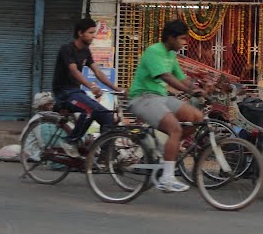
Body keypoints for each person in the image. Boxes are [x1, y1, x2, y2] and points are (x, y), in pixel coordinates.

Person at [127, 19, 205, 193]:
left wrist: (199, 89)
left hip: (160, 97)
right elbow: (167, 78)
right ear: (171, 37)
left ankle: (168, 152)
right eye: (182, 39)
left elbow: (182, 78)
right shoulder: (154, 51)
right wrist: (190, 91)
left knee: (197, 118)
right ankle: (166, 178)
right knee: (175, 129)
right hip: (142, 98)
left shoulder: (171, 55)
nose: (184, 43)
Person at [52, 17, 123, 148]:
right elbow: (74, 71)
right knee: (90, 109)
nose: (93, 36)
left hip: (76, 92)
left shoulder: (85, 51)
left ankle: (105, 158)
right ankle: (71, 142)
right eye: (90, 33)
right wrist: (91, 86)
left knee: (107, 116)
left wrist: (116, 88)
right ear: (80, 33)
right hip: (64, 93)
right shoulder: (67, 49)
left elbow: (97, 71)